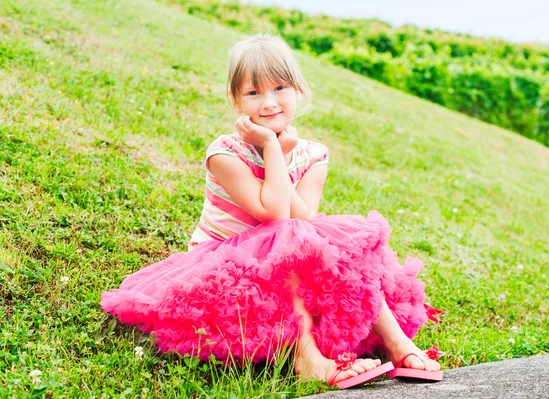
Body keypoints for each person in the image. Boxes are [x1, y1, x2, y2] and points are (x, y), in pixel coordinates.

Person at [101, 33, 444, 388]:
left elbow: (304, 216)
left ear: (298, 90)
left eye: (280, 88)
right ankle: (306, 357)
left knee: (334, 240)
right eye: (253, 93)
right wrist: (270, 147)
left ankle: (397, 344)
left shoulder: (313, 155)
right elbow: (275, 213)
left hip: (290, 266)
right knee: (289, 233)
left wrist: (283, 152)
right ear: (236, 101)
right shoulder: (225, 154)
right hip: (229, 269)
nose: (268, 103)